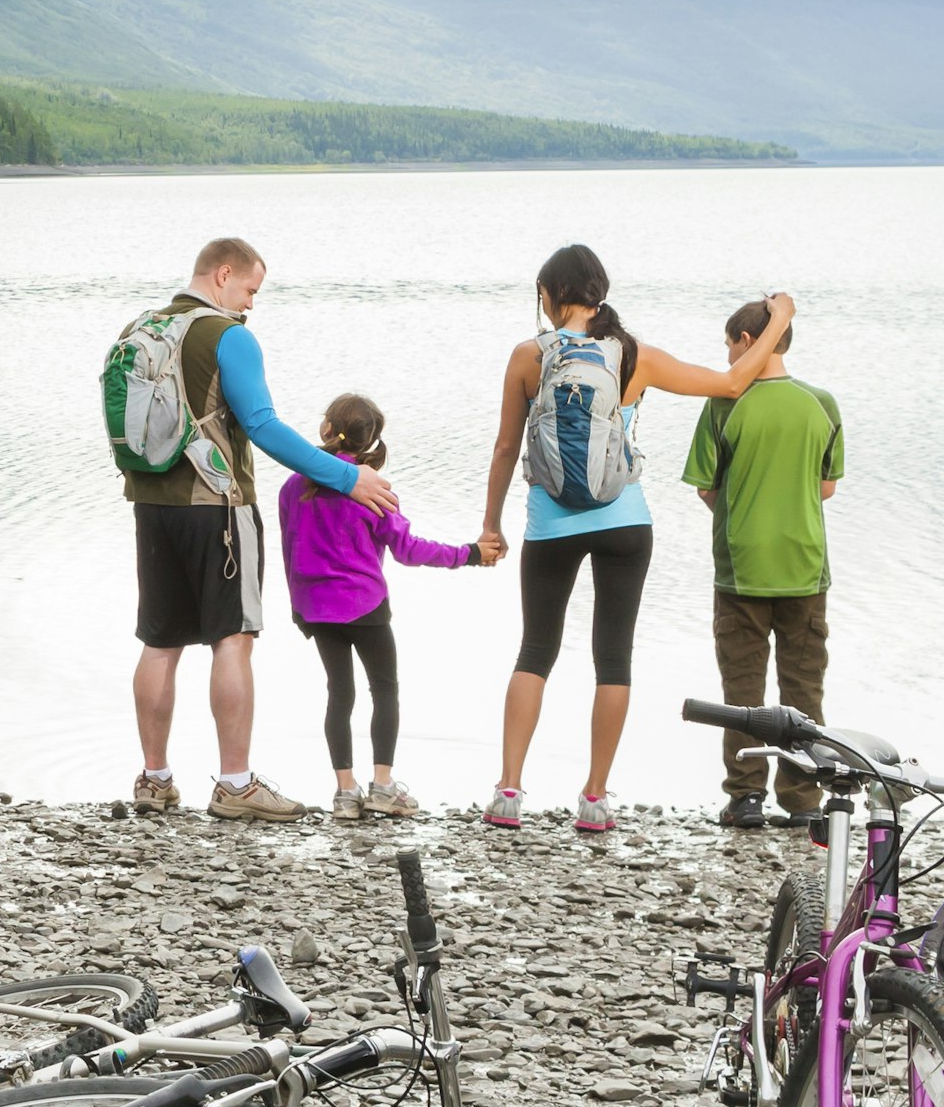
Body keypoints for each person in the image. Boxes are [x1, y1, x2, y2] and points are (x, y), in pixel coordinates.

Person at [475, 246, 792, 835]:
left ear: (549, 293)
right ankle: (595, 798)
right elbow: (730, 382)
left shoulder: (529, 355)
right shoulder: (633, 355)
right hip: (625, 523)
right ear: (599, 292)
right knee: (612, 658)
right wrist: (780, 317)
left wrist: (491, 525)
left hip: (551, 523)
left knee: (536, 651)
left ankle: (509, 791)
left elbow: (503, 448)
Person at [120, 236, 397, 821]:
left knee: (160, 641)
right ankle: (237, 785)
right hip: (218, 507)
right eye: (250, 289)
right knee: (232, 638)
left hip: (151, 506)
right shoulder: (228, 336)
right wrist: (347, 481)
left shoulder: (140, 329)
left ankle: (154, 778)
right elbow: (264, 427)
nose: (250, 303)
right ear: (223, 275)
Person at [278, 394, 499, 821]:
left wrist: (297, 606)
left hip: (316, 607)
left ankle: (345, 792)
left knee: (339, 694)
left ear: (326, 430)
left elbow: (288, 547)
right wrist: (469, 553)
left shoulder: (294, 486)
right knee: (385, 690)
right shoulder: (372, 491)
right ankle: (382, 786)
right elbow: (408, 550)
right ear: (369, 442)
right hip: (365, 606)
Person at [686, 298, 848, 828]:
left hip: (741, 567)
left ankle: (746, 797)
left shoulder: (722, 404)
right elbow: (826, 486)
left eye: (730, 345)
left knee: (742, 689)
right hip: (805, 566)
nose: (728, 357)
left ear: (748, 342)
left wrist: (740, 508)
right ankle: (803, 802)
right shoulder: (821, 403)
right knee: (803, 689)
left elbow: (706, 486)